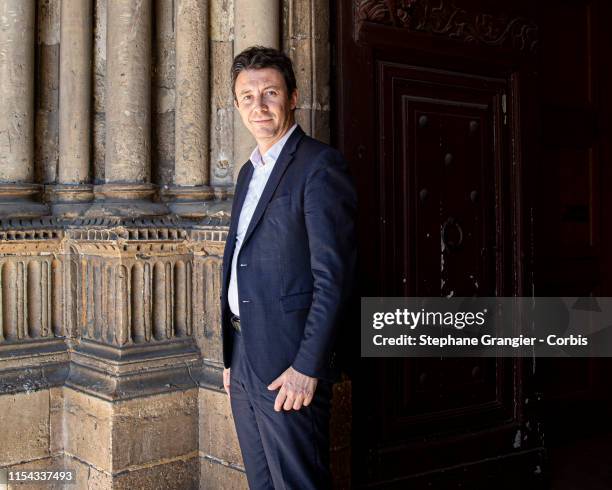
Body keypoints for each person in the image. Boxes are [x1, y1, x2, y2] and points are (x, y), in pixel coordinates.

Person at [220, 45, 357, 489]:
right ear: (237, 105)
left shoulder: (319, 166)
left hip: (288, 366)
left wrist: (307, 366)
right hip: (242, 359)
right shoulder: (247, 172)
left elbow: (333, 278)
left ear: (292, 97)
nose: (258, 106)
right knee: (261, 482)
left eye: (270, 93)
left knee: (298, 483)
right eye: (247, 97)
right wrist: (230, 356)